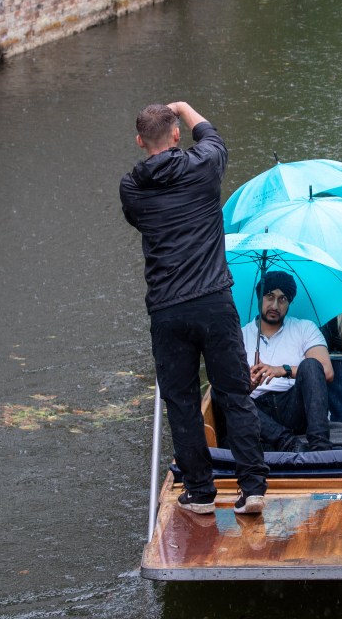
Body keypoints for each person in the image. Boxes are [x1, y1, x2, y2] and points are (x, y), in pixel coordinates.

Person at [119, 101, 268, 515]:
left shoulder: (131, 188)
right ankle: (252, 488)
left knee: (182, 402)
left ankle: (200, 492)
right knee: (234, 393)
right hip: (213, 303)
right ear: (175, 135)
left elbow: (140, 215)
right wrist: (183, 106)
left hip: (168, 310)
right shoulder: (203, 166)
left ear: (138, 141)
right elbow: (212, 134)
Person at [243, 271, 334, 452]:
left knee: (311, 365)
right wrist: (248, 385)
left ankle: (321, 450)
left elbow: (326, 371)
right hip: (258, 413)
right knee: (221, 391)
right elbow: (232, 389)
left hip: (294, 406)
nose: (275, 305)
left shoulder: (305, 328)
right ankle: (287, 442)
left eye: (282, 299)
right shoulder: (239, 335)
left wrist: (281, 370)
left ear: (289, 303)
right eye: (269, 296)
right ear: (259, 297)